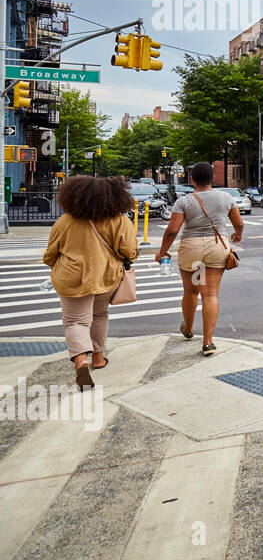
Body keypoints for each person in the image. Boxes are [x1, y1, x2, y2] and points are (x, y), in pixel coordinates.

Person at [42, 176, 139, 391]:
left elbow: (50, 254)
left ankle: (81, 363)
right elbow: (129, 251)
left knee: (76, 321)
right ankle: (98, 357)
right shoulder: (120, 220)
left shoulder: (66, 221)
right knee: (99, 314)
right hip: (107, 276)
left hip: (72, 277)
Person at [155, 162, 243, 356]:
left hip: (192, 248)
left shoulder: (184, 201)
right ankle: (208, 342)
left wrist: (162, 252)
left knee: (191, 291)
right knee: (210, 294)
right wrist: (238, 233)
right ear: (212, 179)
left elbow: (172, 230)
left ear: (192, 179)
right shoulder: (226, 197)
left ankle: (187, 328)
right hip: (216, 246)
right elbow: (239, 223)